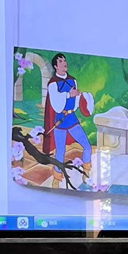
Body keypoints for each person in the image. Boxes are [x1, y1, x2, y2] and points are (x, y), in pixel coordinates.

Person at [43, 53, 94, 188]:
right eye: (60, 61)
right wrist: (68, 94)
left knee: (87, 146)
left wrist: (83, 99)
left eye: (64, 60)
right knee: (60, 152)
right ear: (55, 66)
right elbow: (56, 104)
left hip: (72, 119)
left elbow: (76, 101)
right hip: (60, 120)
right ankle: (57, 179)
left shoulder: (73, 80)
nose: (64, 63)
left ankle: (86, 172)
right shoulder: (53, 84)